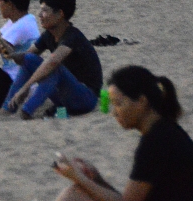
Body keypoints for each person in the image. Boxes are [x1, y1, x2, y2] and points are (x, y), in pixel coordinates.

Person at [51, 65, 193, 201]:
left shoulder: (155, 142)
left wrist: (79, 177)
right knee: (77, 192)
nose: (114, 112)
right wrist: (96, 179)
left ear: (142, 101)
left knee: (72, 195)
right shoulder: (166, 131)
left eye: (118, 104)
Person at [3, 0, 102, 119]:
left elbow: (52, 62)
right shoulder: (48, 35)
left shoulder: (72, 37)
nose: (40, 15)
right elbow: (26, 58)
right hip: (63, 95)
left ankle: (26, 111)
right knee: (31, 58)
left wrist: (25, 88)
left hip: (85, 97)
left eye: (44, 10)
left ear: (60, 14)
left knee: (55, 68)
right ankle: (8, 107)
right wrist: (13, 55)